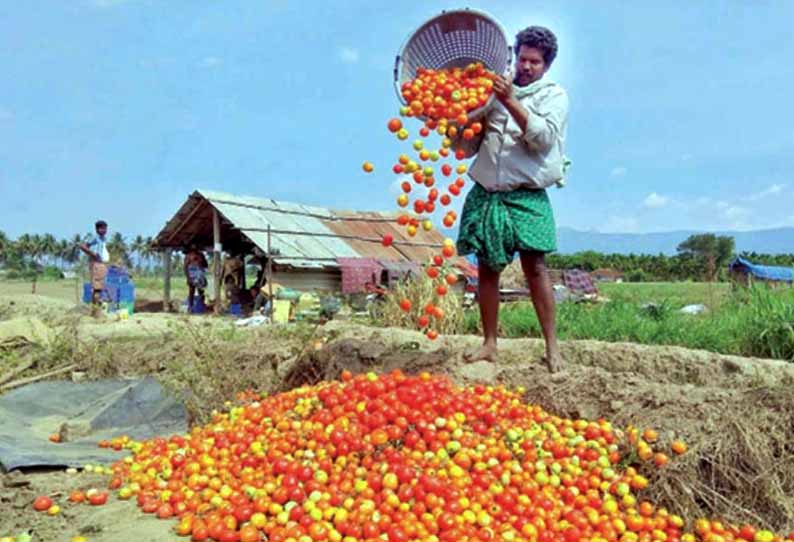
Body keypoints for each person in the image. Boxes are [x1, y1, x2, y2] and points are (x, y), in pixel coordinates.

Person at [455, 26, 569, 372]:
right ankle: (489, 343)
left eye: (535, 61)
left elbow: (543, 138)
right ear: (514, 56)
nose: (526, 66)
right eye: (522, 59)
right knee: (487, 268)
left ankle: (552, 346)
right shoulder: (491, 89)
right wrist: (454, 120)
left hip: (528, 194)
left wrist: (509, 100)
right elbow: (466, 147)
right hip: (489, 191)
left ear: (546, 65)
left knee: (535, 267)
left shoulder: (554, 96)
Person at [79, 220, 111, 315]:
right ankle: (95, 311)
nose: (104, 230)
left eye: (105, 228)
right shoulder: (95, 238)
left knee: (100, 287)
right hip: (96, 263)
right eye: (102, 228)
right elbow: (83, 246)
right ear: (97, 229)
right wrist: (93, 254)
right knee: (97, 288)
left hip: (102, 264)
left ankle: (96, 309)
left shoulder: (103, 239)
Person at [183, 244, 209, 312]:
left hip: (200, 274)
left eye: (196, 246)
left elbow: (206, 265)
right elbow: (185, 267)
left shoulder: (201, 255)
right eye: (193, 246)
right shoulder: (188, 256)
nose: (195, 248)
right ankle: (190, 307)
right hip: (192, 274)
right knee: (191, 291)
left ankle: (201, 305)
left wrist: (201, 262)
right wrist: (188, 278)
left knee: (201, 291)